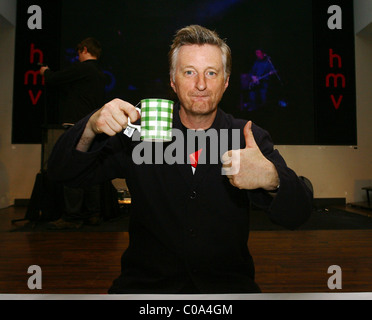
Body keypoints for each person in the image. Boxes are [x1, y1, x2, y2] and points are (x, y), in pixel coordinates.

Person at [47, 25, 313, 293]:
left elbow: (299, 214)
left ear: (226, 81)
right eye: (189, 72)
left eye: (211, 73)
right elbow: (62, 171)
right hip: (145, 288)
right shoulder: (143, 130)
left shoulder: (246, 137)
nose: (201, 84)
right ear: (173, 81)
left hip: (227, 290)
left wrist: (273, 179)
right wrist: (90, 127)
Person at [40, 38, 107, 229]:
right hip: (95, 129)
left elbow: (54, 79)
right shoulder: (100, 75)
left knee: (72, 168)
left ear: (84, 49)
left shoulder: (83, 69)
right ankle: (93, 213)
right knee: (92, 171)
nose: (78, 57)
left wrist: (45, 72)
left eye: (78, 53)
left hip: (78, 127)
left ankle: (72, 216)